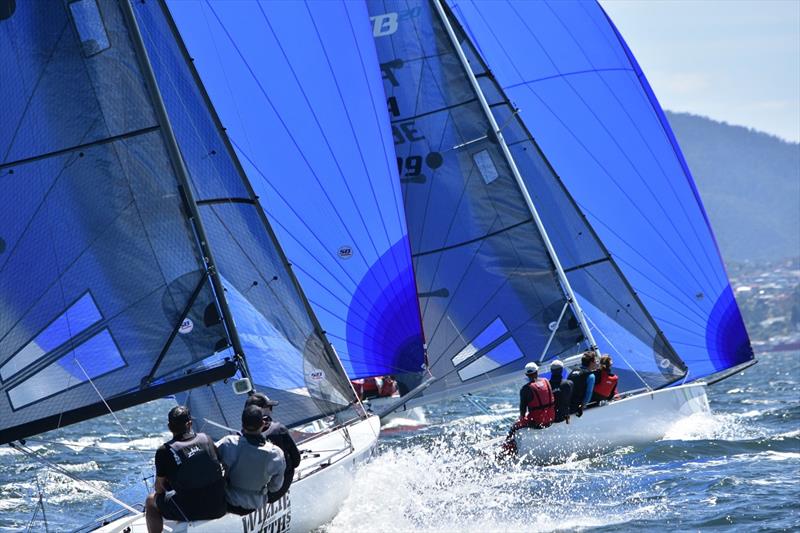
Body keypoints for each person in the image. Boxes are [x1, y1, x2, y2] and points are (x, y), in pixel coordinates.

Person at [145, 406, 226, 533]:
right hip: (219, 507)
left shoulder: (164, 451)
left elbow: (159, 488)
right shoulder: (207, 439)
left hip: (191, 512)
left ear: (169, 426)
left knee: (151, 501)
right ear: (190, 424)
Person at [216, 405, 286, 515]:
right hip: (256, 505)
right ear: (263, 424)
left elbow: (209, 454)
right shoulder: (275, 454)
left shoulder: (228, 443)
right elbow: (275, 487)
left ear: (242, 425)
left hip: (229, 502)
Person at [245, 392, 301, 502]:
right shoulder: (279, 430)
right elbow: (296, 461)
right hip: (278, 490)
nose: (271, 410)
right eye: (269, 407)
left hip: (255, 493)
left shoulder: (240, 438)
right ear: (259, 411)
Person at [500, 362, 556, 457]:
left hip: (537, 423)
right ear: (537, 372)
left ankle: (508, 451)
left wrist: (521, 419)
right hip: (551, 419)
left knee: (514, 427)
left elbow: (523, 408)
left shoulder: (525, 389)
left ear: (526, 375)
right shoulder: (546, 381)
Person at [568, 351, 597, 416]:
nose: (596, 363)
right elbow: (588, 394)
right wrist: (582, 406)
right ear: (591, 363)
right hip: (575, 408)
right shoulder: (591, 376)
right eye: (595, 361)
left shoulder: (573, 371)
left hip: (567, 405)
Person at [548, 359, 573, 423]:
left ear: (551, 371)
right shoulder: (569, 383)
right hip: (566, 416)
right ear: (562, 370)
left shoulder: (546, 386)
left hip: (553, 417)